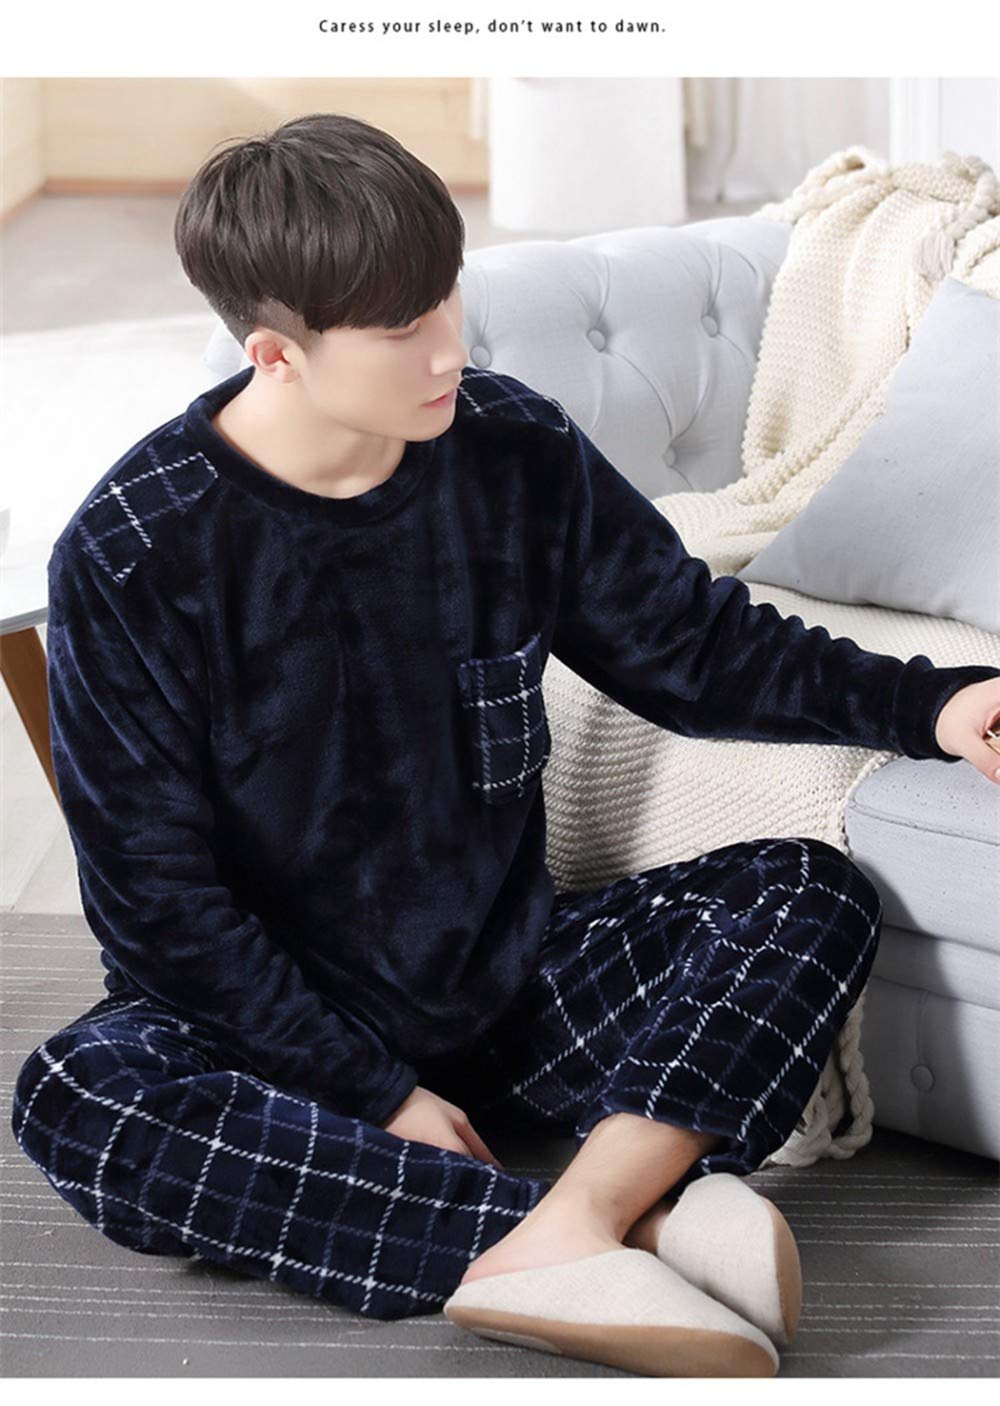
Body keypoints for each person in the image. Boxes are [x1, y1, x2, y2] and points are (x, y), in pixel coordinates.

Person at [12, 112, 1000, 1376]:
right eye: (400, 330)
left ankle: (581, 1218)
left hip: (509, 991)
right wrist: (373, 1092)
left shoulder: (510, 447)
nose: (448, 347)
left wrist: (929, 704)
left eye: (446, 298)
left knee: (805, 891)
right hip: (272, 1041)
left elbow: (694, 647)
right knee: (82, 1095)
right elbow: (159, 912)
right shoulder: (132, 556)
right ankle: (618, 1223)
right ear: (275, 354)